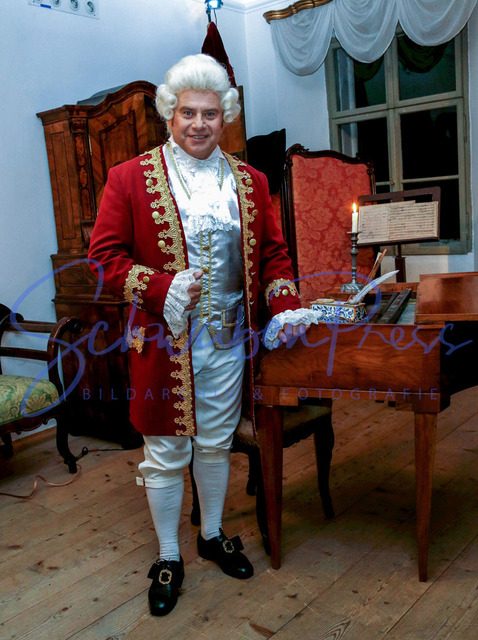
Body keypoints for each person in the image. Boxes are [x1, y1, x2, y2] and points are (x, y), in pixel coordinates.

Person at [88, 53, 311, 617]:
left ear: (224, 116)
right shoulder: (128, 177)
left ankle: (211, 535)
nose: (198, 124)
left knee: (215, 444)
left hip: (231, 342)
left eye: (210, 113)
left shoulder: (251, 181)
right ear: (170, 112)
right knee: (165, 453)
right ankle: (169, 555)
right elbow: (103, 259)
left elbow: (275, 255)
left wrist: (285, 305)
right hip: (164, 345)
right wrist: (160, 287)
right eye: (187, 112)